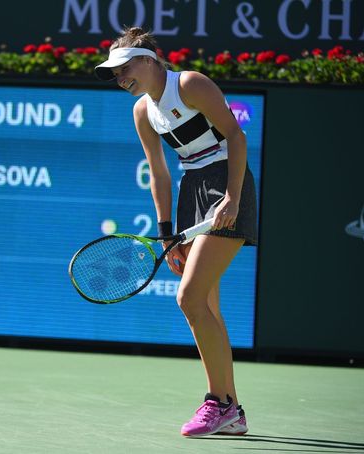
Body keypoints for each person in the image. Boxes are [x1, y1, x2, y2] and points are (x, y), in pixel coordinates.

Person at [94, 27, 258, 437]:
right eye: (114, 73)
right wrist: (167, 232)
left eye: (124, 67)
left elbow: (236, 136)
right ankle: (232, 411)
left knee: (189, 297)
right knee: (208, 306)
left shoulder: (189, 84)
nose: (120, 78)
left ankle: (217, 403)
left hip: (225, 182)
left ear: (148, 60)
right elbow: (160, 173)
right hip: (192, 190)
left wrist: (233, 198)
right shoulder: (141, 112)